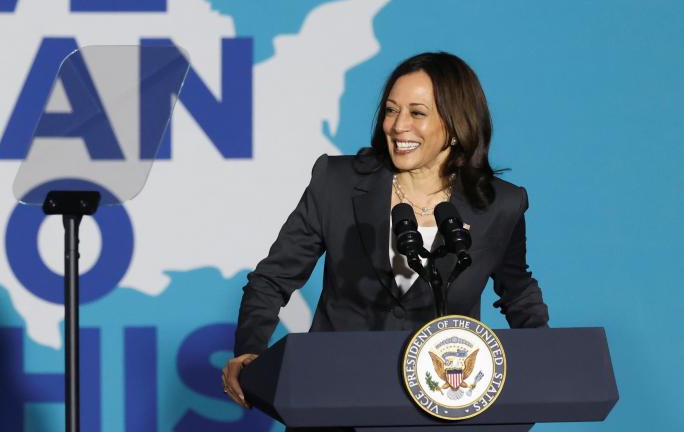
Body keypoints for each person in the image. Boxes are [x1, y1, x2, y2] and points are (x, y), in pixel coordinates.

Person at [221, 52, 549, 410]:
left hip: (441, 405)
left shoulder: (500, 205)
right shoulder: (338, 183)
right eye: (392, 111)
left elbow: (517, 291)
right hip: (332, 399)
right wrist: (250, 350)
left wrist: (546, 360)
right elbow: (273, 279)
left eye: (417, 113)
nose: (397, 126)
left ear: (456, 127)